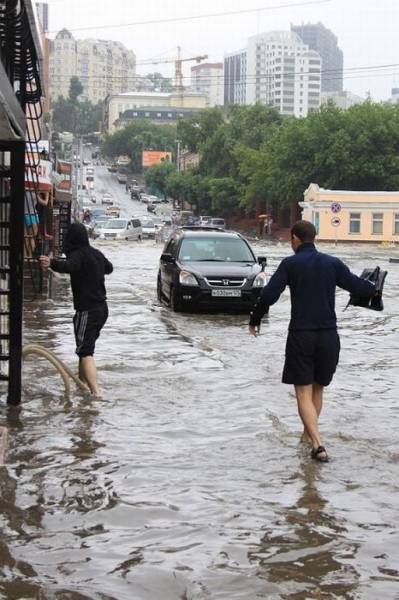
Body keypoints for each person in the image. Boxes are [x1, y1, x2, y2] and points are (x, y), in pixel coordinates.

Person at [248, 220, 376, 462]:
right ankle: (308, 436)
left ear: (296, 238)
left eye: (291, 239)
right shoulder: (332, 263)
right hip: (329, 336)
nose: (290, 242)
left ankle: (318, 445)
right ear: (313, 238)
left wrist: (255, 319)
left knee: (303, 393)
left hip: (301, 335)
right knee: (318, 389)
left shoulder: (290, 264)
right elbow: (360, 287)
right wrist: (374, 286)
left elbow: (268, 295)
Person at [39, 223, 113, 396]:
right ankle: (82, 387)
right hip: (102, 309)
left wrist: (51, 262)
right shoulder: (95, 253)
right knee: (84, 349)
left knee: (86, 351)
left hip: (87, 310)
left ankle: (96, 394)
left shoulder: (78, 255)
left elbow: (69, 266)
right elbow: (109, 268)